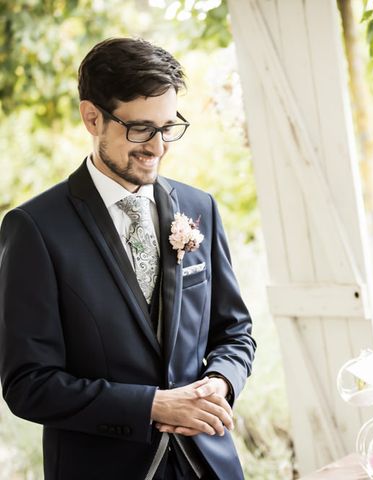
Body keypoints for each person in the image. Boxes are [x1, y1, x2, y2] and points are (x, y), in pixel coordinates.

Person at [0, 38, 256, 480]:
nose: (157, 147)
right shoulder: (34, 228)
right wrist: (151, 406)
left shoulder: (200, 209)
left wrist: (221, 382)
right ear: (92, 117)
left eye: (168, 127)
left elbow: (234, 331)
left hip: (210, 466)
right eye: (140, 129)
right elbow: (29, 385)